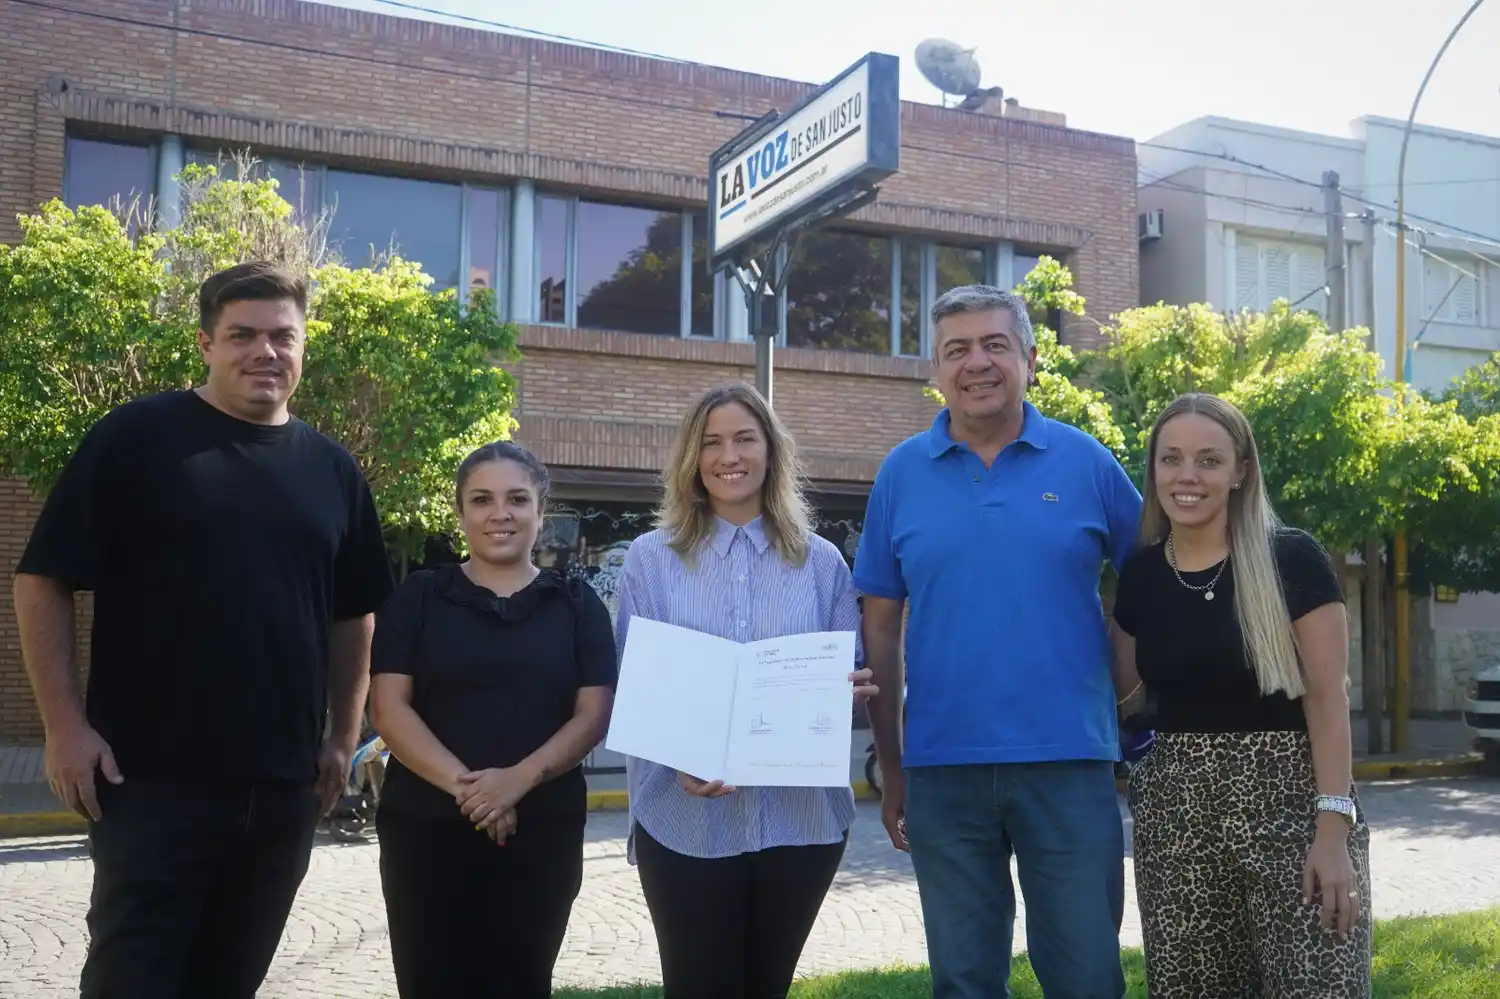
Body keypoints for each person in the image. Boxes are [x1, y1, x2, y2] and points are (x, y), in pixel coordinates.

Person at [12, 261, 394, 999]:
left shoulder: (334, 470)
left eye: (282, 336)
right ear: (206, 343)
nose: (265, 351)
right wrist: (64, 728)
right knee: (131, 981)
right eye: (242, 334)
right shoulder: (134, 439)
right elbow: (42, 580)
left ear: (303, 344)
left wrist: (343, 736)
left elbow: (354, 614)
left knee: (230, 980)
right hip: (149, 781)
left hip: (282, 787)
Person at [854, 284, 1141, 999]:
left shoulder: (1088, 463)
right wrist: (892, 762)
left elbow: (1153, 589)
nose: (976, 363)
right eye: (957, 349)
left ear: (1030, 360)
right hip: (942, 769)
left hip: (1070, 764)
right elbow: (880, 627)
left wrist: (1135, 711)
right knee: (963, 982)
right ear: (936, 369)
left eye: (994, 345)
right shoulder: (899, 474)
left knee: (1087, 979)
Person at [614, 382, 878, 999]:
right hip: (682, 819)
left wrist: (848, 690)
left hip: (801, 826)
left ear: (770, 451)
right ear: (693, 457)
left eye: (744, 439)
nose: (728, 456)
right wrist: (679, 755)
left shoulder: (822, 563)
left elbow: (845, 671)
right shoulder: (651, 559)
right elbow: (635, 679)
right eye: (711, 442)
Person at [1110, 393, 1372, 998]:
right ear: (1154, 470)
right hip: (1177, 822)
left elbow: (1328, 698)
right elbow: (1127, 696)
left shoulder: (1291, 558)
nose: (1188, 476)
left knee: (1318, 985)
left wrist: (1333, 832)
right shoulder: (1142, 574)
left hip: (1293, 811)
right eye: (1171, 459)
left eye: (1209, 460)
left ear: (1240, 471)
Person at [368, 441, 617, 999]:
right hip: (425, 829)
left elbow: (594, 713)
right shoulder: (418, 598)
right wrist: (476, 792)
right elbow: (388, 707)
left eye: (517, 499)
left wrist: (518, 780)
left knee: (522, 981)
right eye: (481, 500)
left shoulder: (578, 605)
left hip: (542, 828)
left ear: (541, 512)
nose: (499, 513)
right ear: (460, 513)